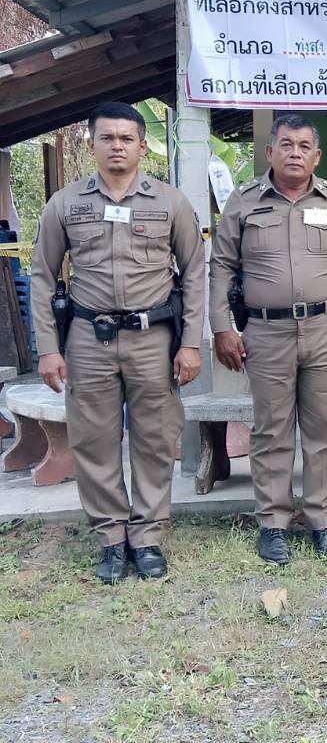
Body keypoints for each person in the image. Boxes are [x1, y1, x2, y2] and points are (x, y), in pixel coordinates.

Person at [30, 101, 205, 583]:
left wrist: (192, 343)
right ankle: (110, 537)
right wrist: (49, 348)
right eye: (107, 138)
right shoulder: (65, 204)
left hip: (154, 339)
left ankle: (147, 537)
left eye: (127, 138)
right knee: (94, 439)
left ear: (143, 146)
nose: (117, 146)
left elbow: (194, 273)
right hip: (89, 338)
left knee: (155, 439)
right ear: (92, 145)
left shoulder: (170, 202)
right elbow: (43, 276)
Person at [209, 114, 327, 565]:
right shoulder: (244, 201)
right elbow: (221, 266)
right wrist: (222, 327)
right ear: (270, 152)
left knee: (325, 431)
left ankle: (324, 522)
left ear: (316, 156)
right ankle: (274, 525)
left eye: (303, 146)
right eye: (286, 144)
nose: (295, 153)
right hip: (266, 332)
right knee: (271, 431)